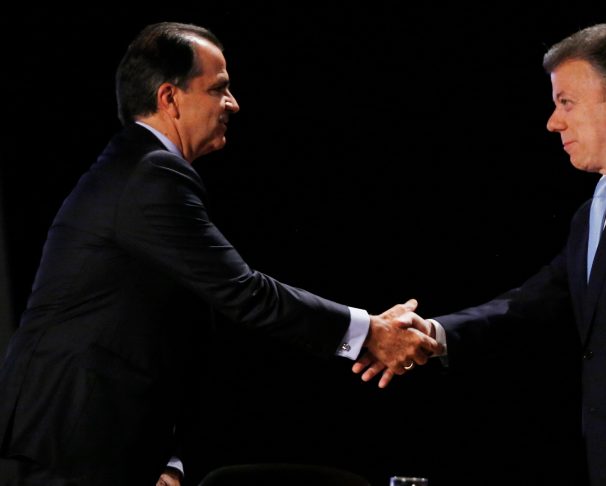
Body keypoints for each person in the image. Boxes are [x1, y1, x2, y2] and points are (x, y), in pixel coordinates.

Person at [0, 22, 439, 486]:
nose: (233, 103)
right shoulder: (151, 173)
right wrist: (367, 330)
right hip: (78, 431)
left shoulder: (138, 167)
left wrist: (165, 458)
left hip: (95, 431)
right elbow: (244, 292)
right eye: (219, 89)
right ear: (169, 98)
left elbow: (162, 329)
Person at [355, 23, 606, 485]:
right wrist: (434, 333)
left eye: (565, 102)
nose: (554, 121)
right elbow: (531, 304)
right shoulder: (596, 208)